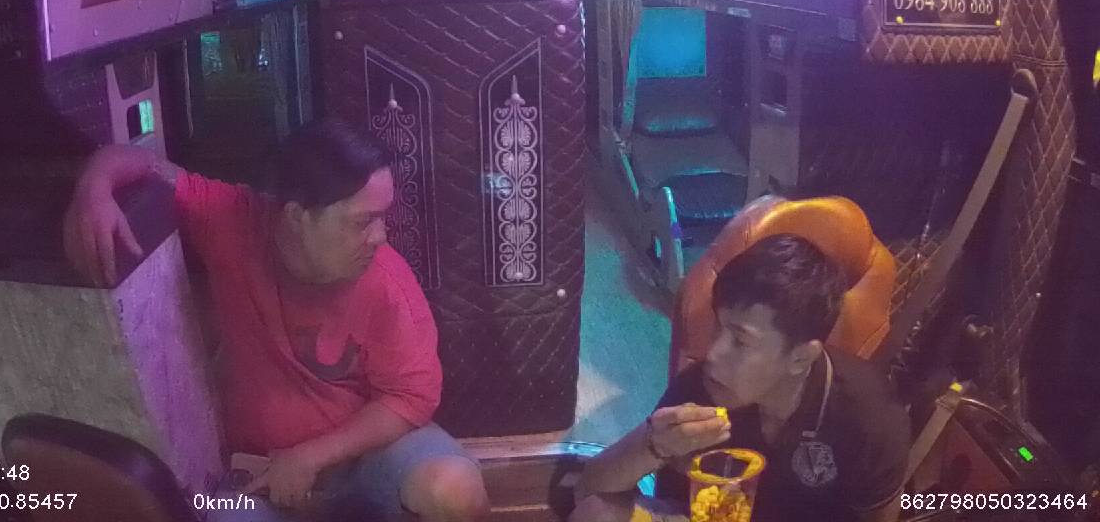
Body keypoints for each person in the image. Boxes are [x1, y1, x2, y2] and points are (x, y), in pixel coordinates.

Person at [63, 119, 490, 522]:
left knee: (454, 490)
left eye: (383, 217)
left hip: (365, 461)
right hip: (260, 472)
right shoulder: (233, 220)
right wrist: (93, 191)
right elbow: (144, 163)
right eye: (363, 222)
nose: (380, 237)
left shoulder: (387, 283)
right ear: (297, 217)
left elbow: (410, 398)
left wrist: (311, 456)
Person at [572, 235, 908, 522]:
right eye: (718, 326)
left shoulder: (870, 418)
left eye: (740, 340)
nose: (713, 353)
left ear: (800, 358)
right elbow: (588, 490)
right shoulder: (703, 388)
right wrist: (653, 444)